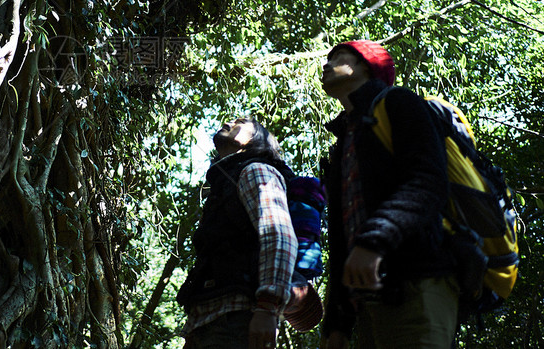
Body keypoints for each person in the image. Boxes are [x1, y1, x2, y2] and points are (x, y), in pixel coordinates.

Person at [319, 40, 459, 349]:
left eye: (339, 57)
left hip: (417, 283)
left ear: (367, 66)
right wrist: (338, 323)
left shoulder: (399, 102)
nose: (326, 65)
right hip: (368, 304)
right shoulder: (344, 141)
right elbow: (343, 238)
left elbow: (428, 182)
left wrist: (376, 239)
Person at [177, 117, 322, 349]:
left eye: (241, 122)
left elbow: (279, 235)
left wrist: (267, 308)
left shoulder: (255, 170)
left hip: (239, 320)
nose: (228, 122)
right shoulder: (225, 182)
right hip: (209, 324)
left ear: (255, 141)